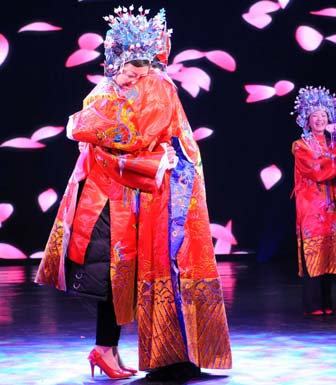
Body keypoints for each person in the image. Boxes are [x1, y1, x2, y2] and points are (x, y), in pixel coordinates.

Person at [34, 5, 232, 382]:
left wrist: (147, 153)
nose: (130, 74)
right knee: (113, 279)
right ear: (114, 63)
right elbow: (95, 128)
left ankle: (106, 349)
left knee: (120, 279)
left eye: (138, 67)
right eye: (125, 67)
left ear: (152, 64)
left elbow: (130, 134)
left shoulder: (155, 88)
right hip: (107, 196)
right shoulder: (108, 89)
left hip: (132, 196)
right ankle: (105, 349)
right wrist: (105, 138)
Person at [291, 86, 336, 316]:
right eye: (315, 115)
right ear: (307, 119)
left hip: (332, 204)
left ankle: (327, 301)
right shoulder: (301, 145)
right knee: (312, 249)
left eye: (323, 115)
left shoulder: (335, 143)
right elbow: (317, 170)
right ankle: (313, 303)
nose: (319, 119)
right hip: (311, 204)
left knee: (329, 249)